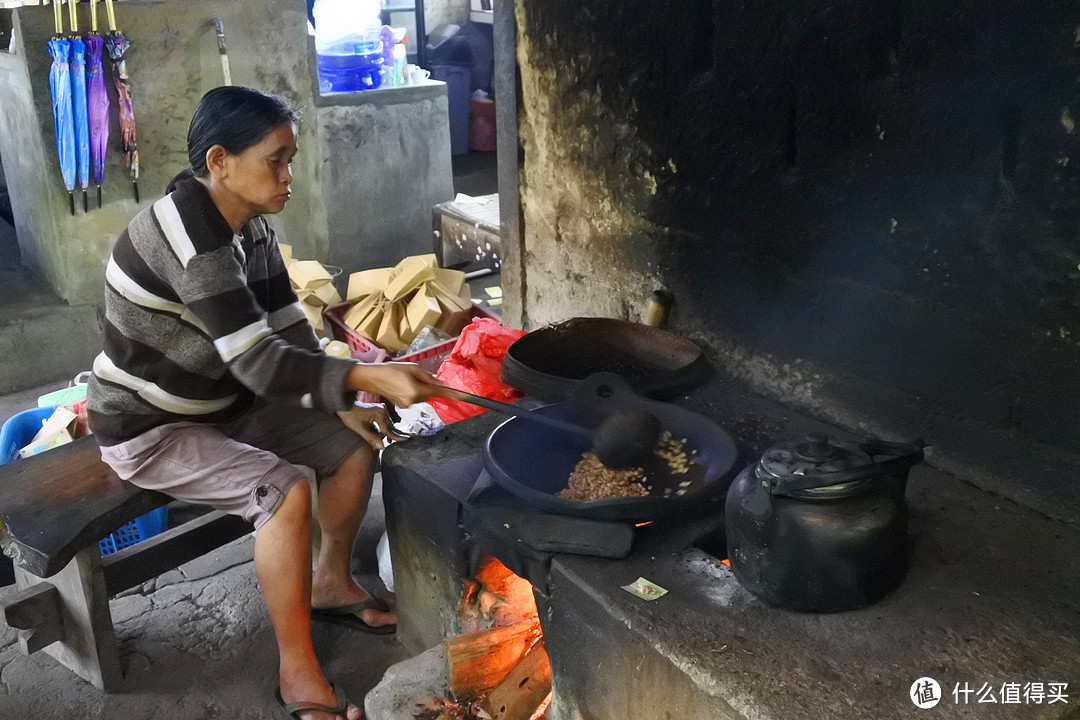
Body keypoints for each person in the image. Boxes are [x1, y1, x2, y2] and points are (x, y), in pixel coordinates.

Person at [87, 86, 450, 720]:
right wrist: (370, 379)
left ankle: (329, 583)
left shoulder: (245, 224)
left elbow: (284, 328)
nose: (288, 176)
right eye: (275, 161)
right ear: (219, 161)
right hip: (150, 423)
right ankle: (295, 666)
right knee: (284, 492)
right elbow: (257, 361)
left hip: (222, 399)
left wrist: (344, 401)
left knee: (352, 445)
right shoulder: (192, 243)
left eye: (290, 159)